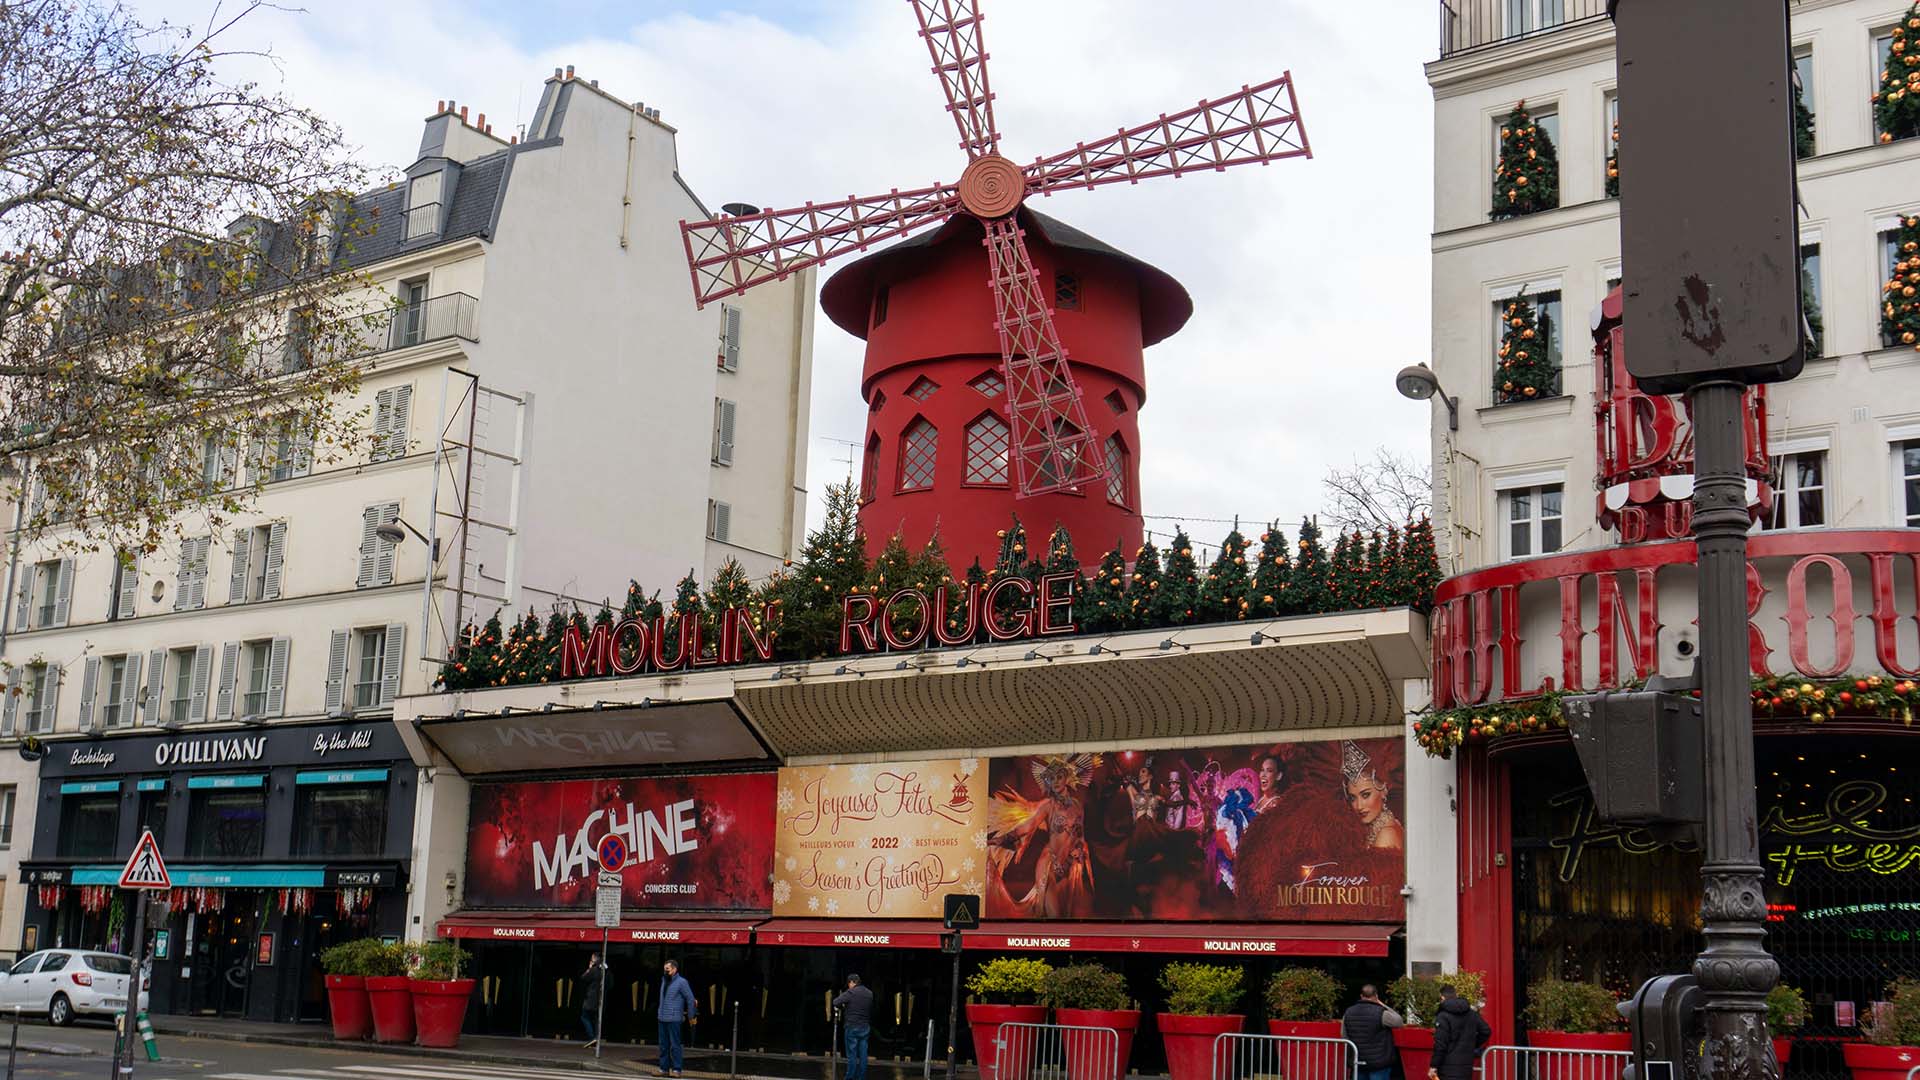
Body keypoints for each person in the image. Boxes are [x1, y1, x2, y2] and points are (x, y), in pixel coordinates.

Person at [1340, 741, 1405, 851]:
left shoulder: (1387, 834)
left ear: (1383, 791)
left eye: (1366, 795)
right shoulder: (1376, 829)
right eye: (1353, 798)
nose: (1359, 806)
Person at [1427, 984, 1491, 1080]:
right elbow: (1486, 1031)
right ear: (1456, 995)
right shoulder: (1471, 1013)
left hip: (1447, 1068)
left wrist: (1433, 1066)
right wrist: (1472, 1044)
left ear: (1442, 997)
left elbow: (1441, 1044)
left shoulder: (1443, 1016)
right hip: (1466, 1067)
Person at [1342, 984, 1405, 1080]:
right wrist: (1381, 1003)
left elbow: (1344, 1036)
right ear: (1376, 995)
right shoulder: (1381, 1013)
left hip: (1358, 1061)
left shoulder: (1348, 1012)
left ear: (1361, 996)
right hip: (1379, 1063)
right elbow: (1399, 1021)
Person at [657, 958, 698, 1077]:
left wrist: (691, 1016)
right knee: (663, 1045)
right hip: (662, 1017)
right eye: (665, 969)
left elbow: (690, 999)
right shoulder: (664, 980)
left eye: (668, 970)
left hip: (674, 1018)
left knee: (675, 1045)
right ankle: (663, 1069)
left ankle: (677, 1069)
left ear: (675, 969)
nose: (666, 972)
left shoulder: (682, 982)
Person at [833, 972, 877, 1080]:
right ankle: (861, 1077)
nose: (848, 986)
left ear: (852, 982)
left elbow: (836, 1001)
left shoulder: (851, 992)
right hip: (865, 1027)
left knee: (852, 1054)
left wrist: (844, 1005)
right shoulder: (869, 993)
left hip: (852, 1027)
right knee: (863, 1055)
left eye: (849, 983)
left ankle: (849, 1077)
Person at [579, 952, 605, 1050]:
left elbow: (583, 978)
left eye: (591, 959)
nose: (590, 960)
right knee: (595, 1019)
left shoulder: (594, 970)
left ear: (595, 959)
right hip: (600, 999)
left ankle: (592, 1038)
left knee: (584, 1016)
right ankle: (596, 1039)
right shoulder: (604, 970)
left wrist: (589, 968)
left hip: (591, 999)